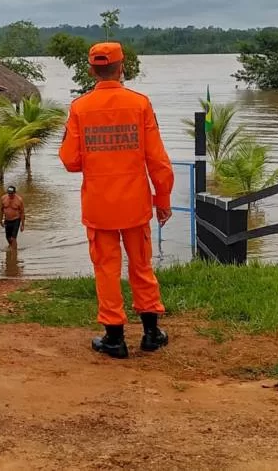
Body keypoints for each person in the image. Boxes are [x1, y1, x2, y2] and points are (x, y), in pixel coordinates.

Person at [58, 41, 174, 359]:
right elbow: (157, 158)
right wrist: (162, 198)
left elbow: (70, 161)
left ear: (91, 70)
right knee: (141, 265)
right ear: (122, 68)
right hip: (136, 204)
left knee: (106, 270)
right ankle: (151, 333)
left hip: (99, 206)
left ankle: (114, 337)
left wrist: (94, 157)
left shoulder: (80, 108)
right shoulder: (140, 104)